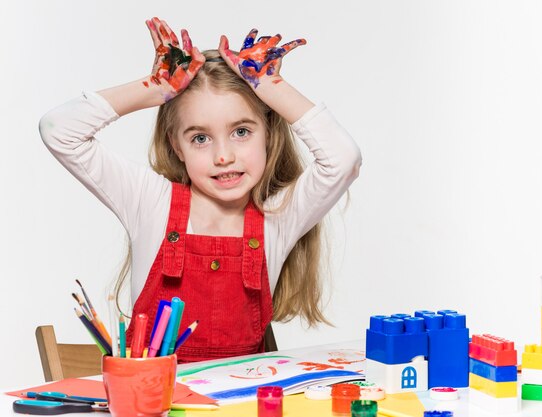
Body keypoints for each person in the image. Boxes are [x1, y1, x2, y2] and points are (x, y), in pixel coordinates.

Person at [39, 17, 361, 361]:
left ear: (267, 132)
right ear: (177, 147)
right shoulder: (150, 201)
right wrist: (153, 87)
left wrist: (272, 89)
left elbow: (344, 159)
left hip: (242, 404)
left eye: (241, 131)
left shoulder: (278, 217)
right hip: (153, 406)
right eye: (200, 138)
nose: (223, 156)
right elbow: (59, 131)